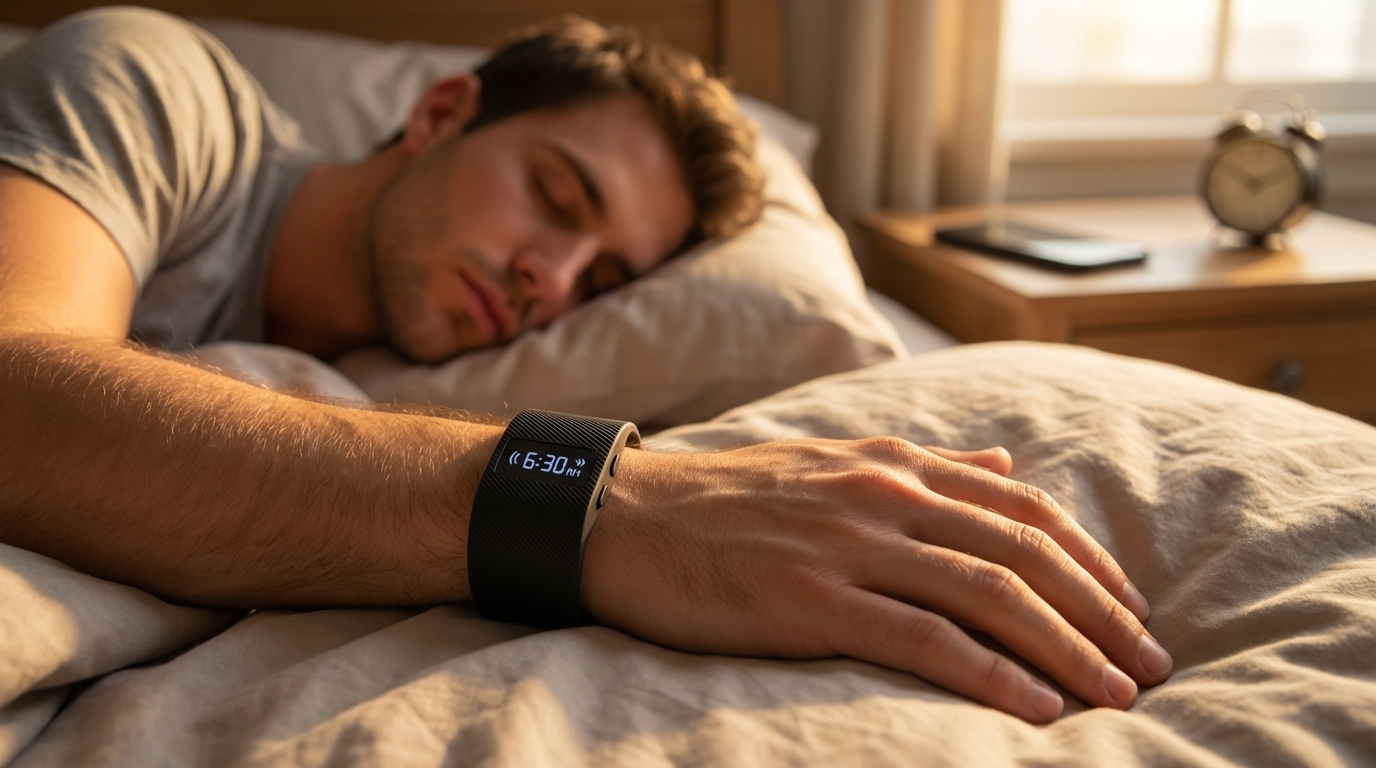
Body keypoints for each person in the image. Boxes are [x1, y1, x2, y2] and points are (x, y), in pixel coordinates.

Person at [0, 8, 1171, 725]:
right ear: (441, 112)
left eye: (601, 280)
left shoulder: (392, 369)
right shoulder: (160, 89)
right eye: (556, 196)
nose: (550, 281)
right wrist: (592, 501)